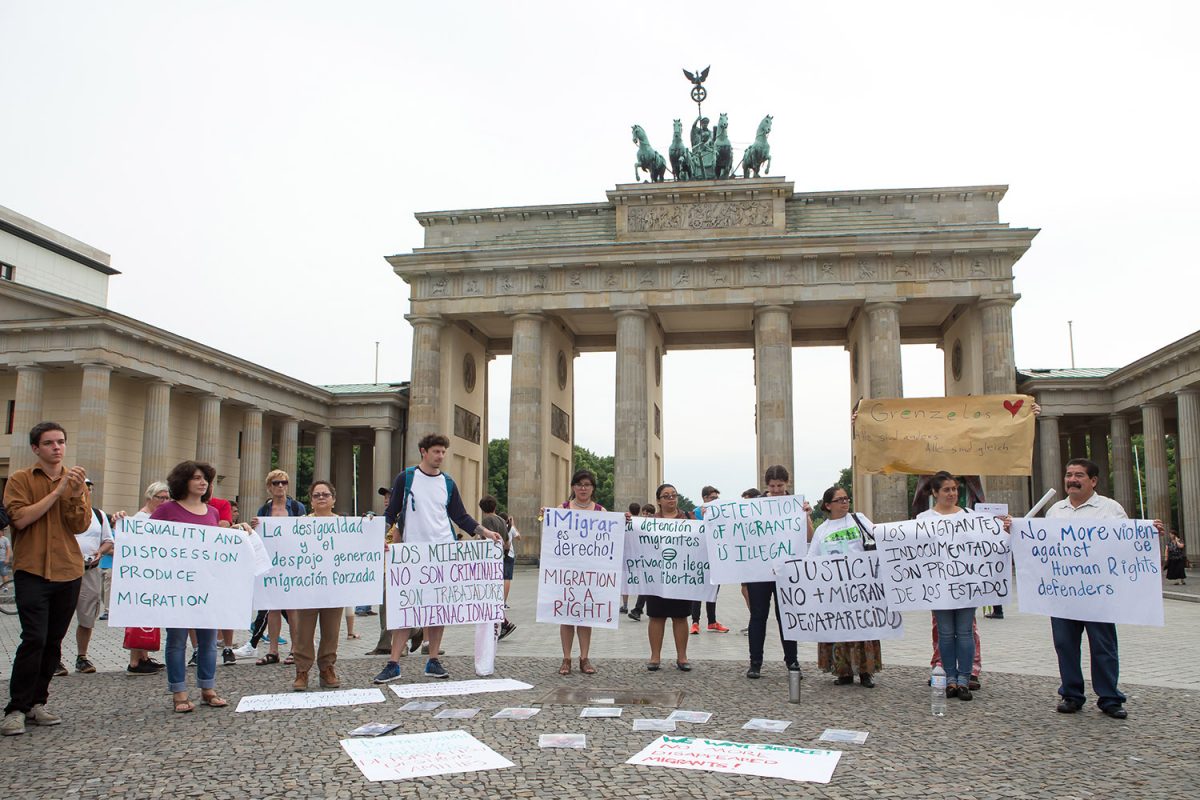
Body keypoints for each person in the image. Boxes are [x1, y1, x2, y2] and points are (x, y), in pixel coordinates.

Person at [373, 434, 502, 683]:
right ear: (423, 452)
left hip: (443, 553)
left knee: (438, 610)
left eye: (443, 452)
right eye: (436, 452)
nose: (440, 456)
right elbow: (391, 512)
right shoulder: (407, 478)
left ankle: (433, 659)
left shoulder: (448, 482)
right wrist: (379, 537)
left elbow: (460, 516)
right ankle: (393, 662)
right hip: (413, 554)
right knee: (405, 609)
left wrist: (485, 532)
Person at [1047, 458, 1164, 719]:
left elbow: (1127, 542)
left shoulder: (1110, 509)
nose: (1072, 480)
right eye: (1068, 474)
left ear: (1093, 481)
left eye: (1078, 475)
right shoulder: (1055, 511)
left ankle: (1110, 698)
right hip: (1064, 593)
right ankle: (1071, 694)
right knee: (1065, 645)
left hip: (1099, 594)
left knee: (1103, 646)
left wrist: (1148, 533)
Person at [2, 422, 91, 737]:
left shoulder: (77, 482)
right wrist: (57, 492)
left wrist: (77, 495)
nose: (57, 447)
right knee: (34, 638)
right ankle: (15, 707)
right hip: (32, 570)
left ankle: (38, 702)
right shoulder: (20, 480)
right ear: (36, 448)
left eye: (61, 442)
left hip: (68, 570)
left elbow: (79, 526)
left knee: (53, 642)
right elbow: (22, 518)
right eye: (50, 442)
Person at [152, 460, 249, 713]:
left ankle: (208, 688)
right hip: (178, 586)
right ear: (183, 481)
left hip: (207, 587)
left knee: (207, 641)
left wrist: (239, 532)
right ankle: (179, 692)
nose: (202, 482)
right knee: (177, 640)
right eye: (196, 477)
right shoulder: (167, 510)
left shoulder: (212, 512)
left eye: (205, 478)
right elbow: (146, 539)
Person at [917, 471, 1011, 702]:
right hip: (939, 586)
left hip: (967, 584)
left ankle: (964, 679)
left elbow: (991, 542)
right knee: (946, 634)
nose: (952, 494)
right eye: (947, 489)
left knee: (966, 632)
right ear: (934, 492)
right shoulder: (923, 519)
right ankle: (949, 679)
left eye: (955, 489)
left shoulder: (971, 516)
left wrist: (1006, 528)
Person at [810, 485, 882, 688]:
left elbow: (879, 536)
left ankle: (866, 672)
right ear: (827, 505)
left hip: (861, 586)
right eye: (839, 500)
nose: (844, 502)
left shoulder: (858, 519)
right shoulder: (822, 530)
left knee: (862, 628)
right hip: (835, 589)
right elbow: (811, 559)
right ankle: (843, 671)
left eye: (846, 498)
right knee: (839, 629)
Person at [745, 465, 812, 679]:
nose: (775, 490)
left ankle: (792, 661)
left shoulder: (795, 505)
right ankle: (755, 662)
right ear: (766, 485)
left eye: (780, 486)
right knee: (758, 616)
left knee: (786, 617)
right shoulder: (756, 505)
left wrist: (807, 516)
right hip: (760, 570)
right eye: (772, 486)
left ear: (787, 483)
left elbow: (809, 537)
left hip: (785, 570)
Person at [237, 470, 306, 665]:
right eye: (276, 483)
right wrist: (253, 526)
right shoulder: (264, 511)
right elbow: (257, 536)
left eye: (284, 482)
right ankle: (273, 650)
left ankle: (295, 649)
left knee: (293, 609)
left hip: (292, 564)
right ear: (269, 487)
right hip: (270, 563)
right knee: (272, 608)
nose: (280, 486)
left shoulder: (296, 507)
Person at [289, 480, 343, 691]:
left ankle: (327, 668)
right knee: (304, 630)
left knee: (331, 631)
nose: (321, 498)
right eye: (316, 495)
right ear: (311, 501)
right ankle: (302, 670)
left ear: (333, 499)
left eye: (325, 494)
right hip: (308, 586)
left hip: (334, 587)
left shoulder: (344, 525)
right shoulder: (300, 524)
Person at [555, 471, 604, 675]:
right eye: (579, 484)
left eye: (587, 484)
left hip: (589, 572)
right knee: (566, 616)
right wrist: (545, 517)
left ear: (593, 488)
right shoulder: (561, 509)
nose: (583, 488)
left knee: (585, 617)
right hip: (566, 571)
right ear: (573, 487)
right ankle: (566, 658)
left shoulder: (601, 511)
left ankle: (584, 658)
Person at [120, 482, 170, 675]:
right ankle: (135, 661)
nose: (164, 501)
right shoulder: (141, 519)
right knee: (140, 616)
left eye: (167, 498)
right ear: (150, 498)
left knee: (149, 618)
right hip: (142, 574)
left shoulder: (159, 519)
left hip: (155, 573)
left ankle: (144, 656)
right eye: (160, 497)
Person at [645, 484, 694, 672]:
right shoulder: (649, 521)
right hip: (657, 576)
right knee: (656, 616)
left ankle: (682, 656)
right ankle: (655, 656)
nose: (671, 498)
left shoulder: (689, 518)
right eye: (666, 496)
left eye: (674, 495)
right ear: (658, 500)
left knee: (680, 617)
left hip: (682, 575)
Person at [70, 481, 113, 675]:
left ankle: (82, 656)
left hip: (90, 570)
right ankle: (54, 658)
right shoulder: (63, 512)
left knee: (88, 616)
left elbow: (108, 540)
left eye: (88, 489)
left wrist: (99, 551)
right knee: (58, 617)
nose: (86, 491)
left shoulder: (99, 515)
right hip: (65, 571)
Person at [690, 485, 728, 634]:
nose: (715, 501)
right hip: (698, 558)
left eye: (716, 498)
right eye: (712, 498)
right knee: (697, 592)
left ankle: (712, 621)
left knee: (713, 591)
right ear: (705, 498)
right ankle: (695, 622)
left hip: (714, 559)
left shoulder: (720, 514)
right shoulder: (695, 514)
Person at [478, 495, 516, 641]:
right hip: (501, 559)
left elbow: (486, 541)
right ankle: (501, 623)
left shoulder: (486, 521)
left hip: (489, 562)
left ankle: (502, 623)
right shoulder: (501, 520)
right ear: (495, 507)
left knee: (488, 594)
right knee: (493, 594)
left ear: (482, 508)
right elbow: (507, 543)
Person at [626, 504, 655, 621]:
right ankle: (640, 609)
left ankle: (638, 609)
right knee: (647, 587)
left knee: (647, 587)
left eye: (649, 513)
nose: (646, 515)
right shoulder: (637, 524)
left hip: (653, 560)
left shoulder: (657, 525)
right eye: (644, 512)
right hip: (643, 559)